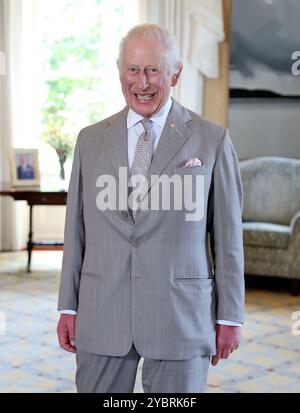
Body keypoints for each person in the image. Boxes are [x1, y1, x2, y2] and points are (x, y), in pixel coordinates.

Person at [57, 23, 244, 393]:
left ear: (175, 74)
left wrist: (230, 315)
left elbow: (228, 239)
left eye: (153, 70)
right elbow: (75, 233)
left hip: (180, 316)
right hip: (102, 312)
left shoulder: (212, 140)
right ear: (120, 72)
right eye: (133, 70)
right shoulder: (90, 141)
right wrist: (68, 307)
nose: (142, 83)